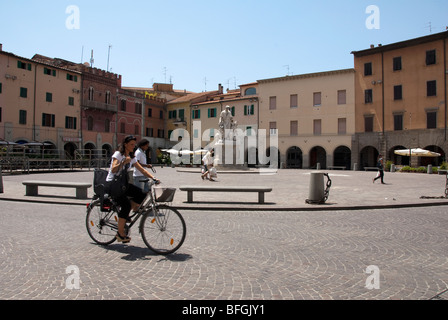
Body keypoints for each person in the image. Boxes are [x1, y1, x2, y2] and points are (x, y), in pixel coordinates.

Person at [106, 135, 159, 243]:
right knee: (126, 205)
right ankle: (120, 234)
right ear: (125, 144)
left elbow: (141, 169)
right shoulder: (118, 154)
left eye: (134, 144)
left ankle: (125, 216)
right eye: (131, 144)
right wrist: (123, 162)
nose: (133, 146)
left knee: (141, 194)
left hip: (123, 183)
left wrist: (153, 178)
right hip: (113, 183)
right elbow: (113, 169)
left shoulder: (132, 156)